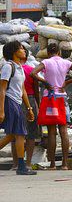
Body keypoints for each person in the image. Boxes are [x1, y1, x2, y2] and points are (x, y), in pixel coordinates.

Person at [31, 43, 72, 170]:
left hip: (49, 98)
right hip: (62, 97)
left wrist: (45, 82)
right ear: (59, 52)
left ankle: (52, 164)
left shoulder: (46, 62)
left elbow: (33, 73)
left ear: (48, 52)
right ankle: (65, 164)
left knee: (51, 132)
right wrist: (66, 82)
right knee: (63, 130)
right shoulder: (66, 63)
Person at [0, 41, 37, 175]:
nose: (23, 50)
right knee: (19, 134)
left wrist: (29, 108)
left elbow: (23, 90)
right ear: (14, 51)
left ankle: (21, 166)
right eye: (21, 48)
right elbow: (2, 89)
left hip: (17, 102)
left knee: (12, 135)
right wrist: (1, 110)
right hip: (10, 102)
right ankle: (21, 166)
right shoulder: (8, 67)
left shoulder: (20, 67)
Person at [11, 49, 41, 169]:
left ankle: (16, 164)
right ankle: (27, 163)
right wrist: (37, 105)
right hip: (30, 100)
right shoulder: (30, 70)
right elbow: (36, 89)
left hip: (15, 101)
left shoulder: (11, 69)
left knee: (15, 134)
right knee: (31, 134)